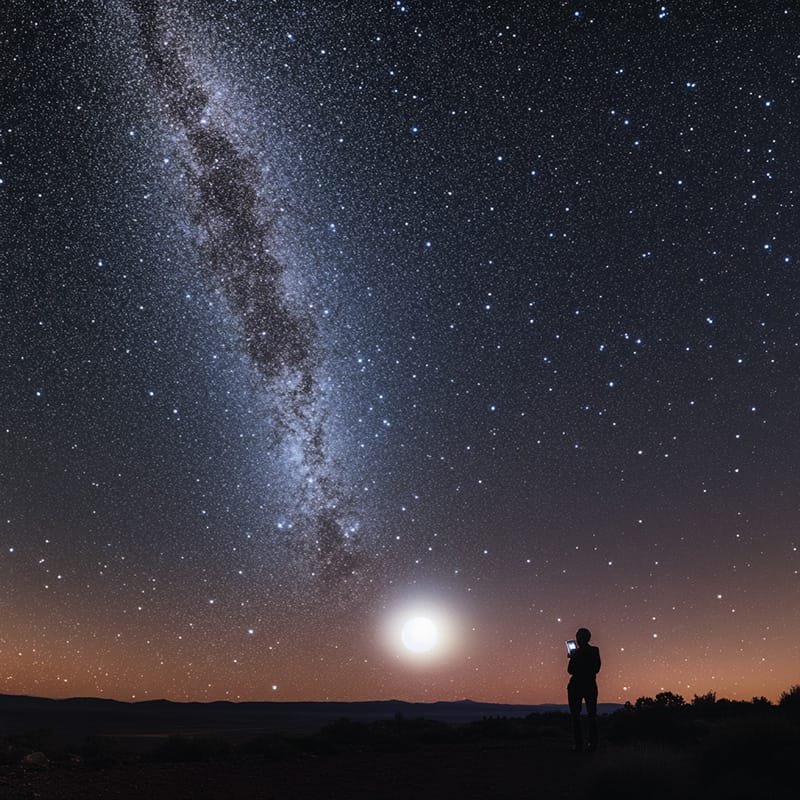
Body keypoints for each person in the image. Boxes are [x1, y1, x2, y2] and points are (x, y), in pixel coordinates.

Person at [567, 627, 601, 751]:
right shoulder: (594, 651)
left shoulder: (578, 653)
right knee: (591, 715)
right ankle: (592, 744)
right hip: (589, 684)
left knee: (576, 715)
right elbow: (596, 668)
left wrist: (574, 658)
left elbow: (570, 670)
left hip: (577, 685)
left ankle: (579, 744)